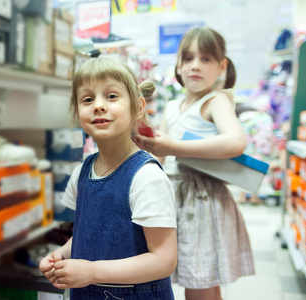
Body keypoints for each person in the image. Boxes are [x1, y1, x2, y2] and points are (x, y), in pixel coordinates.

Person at [39, 57, 178, 299]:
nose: (98, 106)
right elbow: (89, 234)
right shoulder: (82, 172)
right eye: (88, 99)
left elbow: (164, 260)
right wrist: (61, 255)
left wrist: (92, 271)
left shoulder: (147, 178)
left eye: (111, 96)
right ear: (77, 112)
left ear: (138, 107)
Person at [137, 27, 255, 300]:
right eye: (188, 59)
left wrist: (173, 146)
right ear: (178, 65)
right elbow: (161, 158)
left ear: (221, 66)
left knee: (198, 281)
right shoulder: (171, 107)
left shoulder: (216, 100)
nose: (195, 67)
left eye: (206, 59)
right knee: (205, 282)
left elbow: (236, 142)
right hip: (178, 198)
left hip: (202, 201)